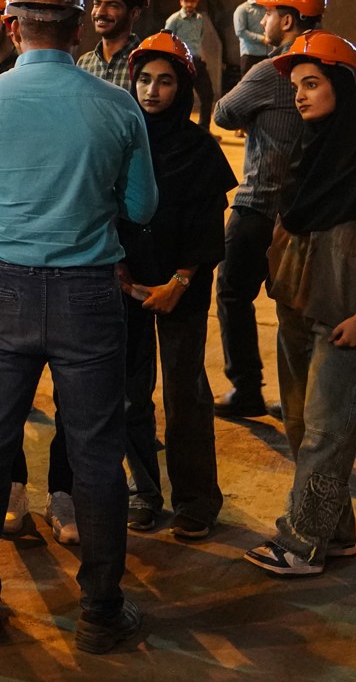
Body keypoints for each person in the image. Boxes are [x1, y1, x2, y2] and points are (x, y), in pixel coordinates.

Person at [0, 0, 156, 655]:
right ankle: (99, 612)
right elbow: (140, 207)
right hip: (88, 293)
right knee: (95, 453)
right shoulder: (118, 106)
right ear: (78, 30)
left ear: (13, 28)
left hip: (5, 288)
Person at [246, 31, 356, 577]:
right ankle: (337, 533)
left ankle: (301, 543)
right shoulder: (309, 149)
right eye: (297, 86)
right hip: (298, 308)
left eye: (312, 84)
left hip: (345, 315)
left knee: (327, 432)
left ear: (341, 88)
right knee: (301, 425)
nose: (300, 96)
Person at [120, 33, 234, 540]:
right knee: (129, 393)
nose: (152, 90)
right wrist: (118, 271)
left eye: (165, 81)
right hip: (126, 285)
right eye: (144, 79)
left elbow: (209, 230)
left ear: (182, 88)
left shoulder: (199, 149)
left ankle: (196, 500)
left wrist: (179, 282)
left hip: (182, 288)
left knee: (185, 393)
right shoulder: (122, 141)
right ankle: (143, 491)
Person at [211, 0, 327, 420]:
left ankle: (247, 389)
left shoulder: (269, 72)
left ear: (289, 20)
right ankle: (299, 399)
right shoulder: (330, 69)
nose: (264, 20)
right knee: (296, 309)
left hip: (260, 207)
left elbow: (223, 113)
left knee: (233, 293)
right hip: (310, 215)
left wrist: (254, 114)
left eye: (270, 12)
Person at [78, 0, 149, 86]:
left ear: (134, 13)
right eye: (97, 4)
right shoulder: (84, 64)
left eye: (112, 5)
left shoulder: (147, 64)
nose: (100, 12)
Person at [162, 0, 223, 131]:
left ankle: (203, 129)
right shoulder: (174, 20)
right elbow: (165, 41)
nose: (189, 4)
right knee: (180, 97)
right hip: (180, 63)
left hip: (196, 61)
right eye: (187, 1)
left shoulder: (199, 19)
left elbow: (200, 37)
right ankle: (177, 129)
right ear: (181, 1)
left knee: (207, 94)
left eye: (192, 1)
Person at [229, 0, 269, 94]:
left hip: (266, 54)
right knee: (248, 89)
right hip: (250, 54)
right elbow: (240, 31)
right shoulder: (243, 10)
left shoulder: (266, 9)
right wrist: (261, 39)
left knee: (265, 88)